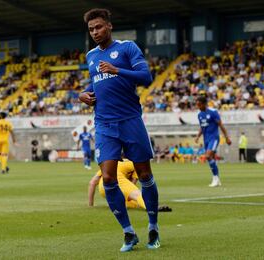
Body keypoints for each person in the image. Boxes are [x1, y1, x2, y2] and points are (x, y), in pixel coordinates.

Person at [79, 8, 159, 252]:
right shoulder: (91, 56)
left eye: (99, 27)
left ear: (109, 26)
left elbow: (146, 77)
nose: (95, 32)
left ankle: (153, 225)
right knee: (109, 178)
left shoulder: (127, 48)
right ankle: (128, 232)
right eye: (91, 29)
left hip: (130, 119)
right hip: (104, 123)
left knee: (144, 174)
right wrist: (84, 94)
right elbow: (95, 82)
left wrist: (117, 70)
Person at [195, 96, 231, 187]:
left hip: (214, 138)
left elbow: (221, 125)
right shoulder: (199, 115)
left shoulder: (213, 112)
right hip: (206, 139)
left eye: (199, 105)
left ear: (204, 104)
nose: (198, 106)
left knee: (208, 156)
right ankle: (217, 178)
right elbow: (202, 127)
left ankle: (215, 178)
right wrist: (197, 136)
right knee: (209, 158)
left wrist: (227, 137)